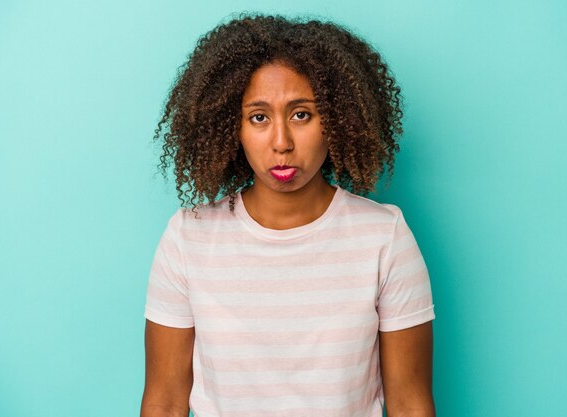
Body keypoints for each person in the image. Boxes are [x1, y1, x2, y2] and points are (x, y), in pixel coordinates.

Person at [140, 13, 436, 417]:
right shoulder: (188, 238)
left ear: (335, 120)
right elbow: (165, 401)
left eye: (301, 114)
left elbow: (410, 404)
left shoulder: (385, 238)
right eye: (258, 117)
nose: (281, 143)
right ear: (231, 127)